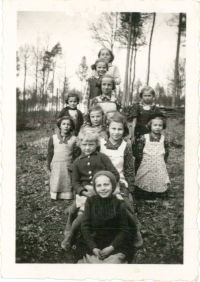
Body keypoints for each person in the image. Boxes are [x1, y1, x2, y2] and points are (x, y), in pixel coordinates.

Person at [61, 127, 120, 249]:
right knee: (82, 214)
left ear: (96, 144)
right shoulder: (77, 162)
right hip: (86, 192)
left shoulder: (103, 157)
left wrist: (108, 186)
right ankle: (70, 236)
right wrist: (82, 191)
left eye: (91, 144)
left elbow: (115, 174)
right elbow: (75, 182)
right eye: (84, 145)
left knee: (122, 204)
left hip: (104, 189)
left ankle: (135, 229)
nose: (87, 148)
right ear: (79, 144)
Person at [100, 113, 143, 247]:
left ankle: (135, 230)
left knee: (124, 204)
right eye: (113, 129)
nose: (116, 132)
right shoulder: (100, 143)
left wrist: (130, 187)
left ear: (124, 130)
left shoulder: (126, 146)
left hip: (120, 180)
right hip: (101, 180)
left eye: (119, 129)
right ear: (108, 128)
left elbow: (129, 168)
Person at [76, 171, 133, 264]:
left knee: (112, 264)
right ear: (95, 187)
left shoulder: (119, 204)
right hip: (95, 240)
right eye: (99, 185)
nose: (102, 189)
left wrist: (111, 248)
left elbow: (124, 229)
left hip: (114, 242)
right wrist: (93, 248)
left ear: (113, 186)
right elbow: (85, 226)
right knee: (87, 264)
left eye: (106, 185)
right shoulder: (90, 202)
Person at [134, 113, 170, 200]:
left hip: (159, 164)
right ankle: (144, 193)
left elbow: (166, 152)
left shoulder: (164, 139)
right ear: (150, 125)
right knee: (144, 179)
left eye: (160, 125)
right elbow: (139, 152)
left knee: (159, 178)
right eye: (155, 125)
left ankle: (158, 193)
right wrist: (141, 161)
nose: (157, 127)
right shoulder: (144, 138)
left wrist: (163, 162)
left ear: (163, 126)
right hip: (146, 163)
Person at [127, 86, 161, 173]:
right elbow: (133, 122)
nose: (147, 98)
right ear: (141, 96)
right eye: (145, 95)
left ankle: (149, 175)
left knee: (150, 155)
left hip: (151, 135)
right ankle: (138, 176)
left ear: (153, 96)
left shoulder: (155, 109)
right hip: (139, 134)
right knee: (139, 156)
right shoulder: (137, 107)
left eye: (149, 95)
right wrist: (132, 135)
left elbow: (158, 123)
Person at [47, 116, 79, 200]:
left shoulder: (74, 139)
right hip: (56, 164)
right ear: (59, 126)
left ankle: (67, 195)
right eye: (64, 124)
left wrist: (74, 166)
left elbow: (76, 155)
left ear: (71, 126)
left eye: (68, 124)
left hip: (67, 164)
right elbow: (50, 153)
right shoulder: (53, 138)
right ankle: (54, 195)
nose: (66, 126)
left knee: (67, 179)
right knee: (56, 179)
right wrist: (49, 164)